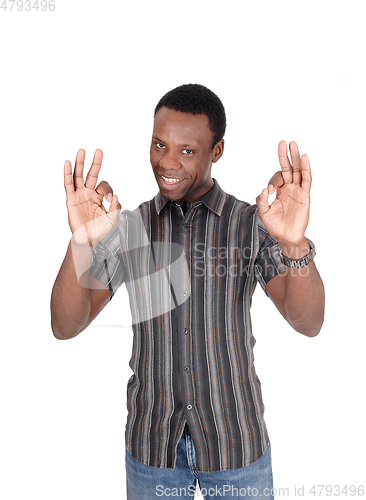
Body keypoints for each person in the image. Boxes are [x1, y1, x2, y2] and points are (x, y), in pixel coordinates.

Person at [51, 84, 325, 499]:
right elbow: (65, 325)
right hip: (152, 446)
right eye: (159, 144)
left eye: (187, 151)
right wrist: (82, 244)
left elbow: (308, 322)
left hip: (235, 442)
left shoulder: (247, 223)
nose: (166, 161)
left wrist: (293, 245)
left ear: (216, 151)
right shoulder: (131, 228)